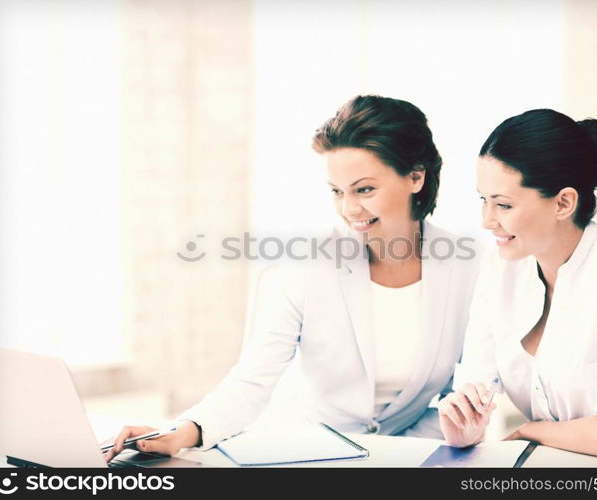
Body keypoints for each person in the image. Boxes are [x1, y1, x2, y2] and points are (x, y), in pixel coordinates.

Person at [104, 95, 482, 461]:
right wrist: (184, 430)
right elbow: (252, 381)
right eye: (337, 191)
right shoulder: (305, 268)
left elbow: (472, 387)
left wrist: (410, 449)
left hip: (412, 458)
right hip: (308, 456)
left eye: (365, 189)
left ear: (415, 177)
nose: (350, 209)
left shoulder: (469, 267)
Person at [438, 109, 597, 459]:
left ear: (563, 203)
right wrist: (464, 427)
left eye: (503, 205)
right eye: (483, 200)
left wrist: (531, 431)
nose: (486, 221)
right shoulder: (500, 265)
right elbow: (473, 392)